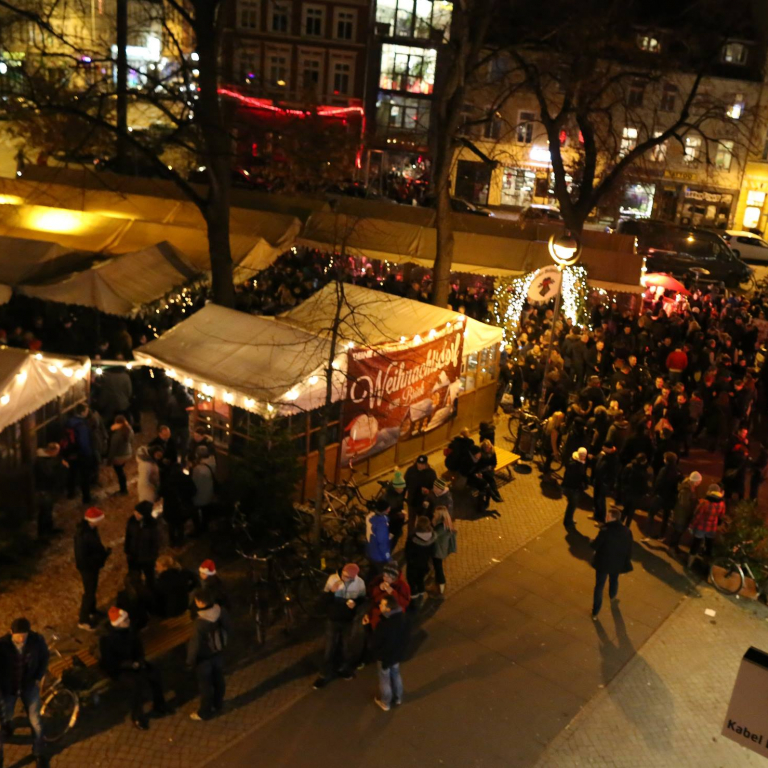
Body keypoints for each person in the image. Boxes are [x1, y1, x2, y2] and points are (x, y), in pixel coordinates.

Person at [99, 607, 170, 730]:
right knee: (136, 685)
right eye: (125, 619)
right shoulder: (107, 639)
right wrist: (131, 664)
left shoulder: (130, 631)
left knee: (154, 674)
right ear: (119, 623)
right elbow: (110, 662)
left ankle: (160, 705)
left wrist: (139, 661)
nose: (129, 621)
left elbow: (138, 647)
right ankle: (137, 716)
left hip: (134, 663)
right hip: (119, 670)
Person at [0, 617, 50, 768]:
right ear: (11, 633)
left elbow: (44, 657)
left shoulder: (36, 641)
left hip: (29, 685)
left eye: (24, 635)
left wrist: (38, 677)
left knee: (36, 721)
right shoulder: (2, 645)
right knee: (5, 717)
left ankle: (39, 752)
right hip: (9, 688)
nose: (21, 638)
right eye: (18, 635)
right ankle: (8, 726)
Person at [312, 564, 366, 689]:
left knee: (346, 646)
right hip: (333, 619)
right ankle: (324, 675)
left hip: (348, 620)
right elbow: (323, 600)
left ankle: (344, 669)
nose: (346, 579)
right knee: (329, 648)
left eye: (350, 578)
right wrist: (331, 592)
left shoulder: (360, 583)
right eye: (345, 576)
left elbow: (362, 598)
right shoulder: (332, 579)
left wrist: (356, 603)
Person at [187, 587, 233, 721]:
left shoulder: (200, 623)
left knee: (205, 686)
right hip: (218, 653)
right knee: (219, 679)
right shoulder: (221, 611)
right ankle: (218, 704)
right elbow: (229, 628)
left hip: (204, 658)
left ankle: (204, 712)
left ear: (200, 602)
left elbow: (194, 645)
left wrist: (190, 661)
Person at [591, 506, 633, 619]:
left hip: (603, 563)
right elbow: (629, 547)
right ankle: (612, 596)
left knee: (599, 586)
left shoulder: (605, 531)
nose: (606, 518)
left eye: (607, 516)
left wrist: (592, 543)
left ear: (611, 518)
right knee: (614, 579)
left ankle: (596, 611)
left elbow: (595, 545)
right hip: (617, 562)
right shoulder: (627, 531)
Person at [371, 594, 410, 711]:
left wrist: (367, 627)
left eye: (382, 604)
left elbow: (375, 642)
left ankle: (385, 702)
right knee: (396, 675)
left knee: (385, 680)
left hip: (385, 658)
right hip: (397, 655)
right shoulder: (403, 618)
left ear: (388, 609)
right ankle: (398, 697)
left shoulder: (384, 625)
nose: (380, 606)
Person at [74, 507, 111, 631]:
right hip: (88, 568)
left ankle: (92, 610)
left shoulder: (91, 530)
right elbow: (83, 556)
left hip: (92, 566)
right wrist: (97, 559)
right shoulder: (84, 535)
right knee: (89, 592)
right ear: (93, 520)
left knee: (92, 589)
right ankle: (83, 620)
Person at [687, 484, 726, 568]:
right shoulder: (722, 504)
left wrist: (691, 526)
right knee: (709, 546)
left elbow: (697, 516)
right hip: (712, 528)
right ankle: (705, 564)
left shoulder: (704, 503)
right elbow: (721, 515)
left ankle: (689, 564)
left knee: (695, 545)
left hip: (701, 527)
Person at [63, 403, 96, 503]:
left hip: (71, 452)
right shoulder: (81, 425)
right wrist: (89, 454)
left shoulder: (69, 422)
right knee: (84, 476)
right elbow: (83, 441)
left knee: (72, 473)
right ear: (82, 412)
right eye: (86, 411)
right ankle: (86, 498)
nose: (87, 412)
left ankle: (71, 493)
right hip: (82, 454)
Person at [124, 502, 160, 591]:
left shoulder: (152, 526)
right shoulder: (132, 521)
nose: (136, 514)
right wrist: (127, 550)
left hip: (146, 558)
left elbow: (155, 544)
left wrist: (152, 557)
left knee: (150, 578)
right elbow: (128, 536)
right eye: (135, 511)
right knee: (134, 577)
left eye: (139, 513)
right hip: (133, 555)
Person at [645, 452, 681, 540]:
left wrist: (654, 493)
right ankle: (661, 535)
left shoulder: (664, 470)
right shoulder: (678, 472)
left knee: (651, 513)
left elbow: (658, 483)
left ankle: (647, 532)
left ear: (667, 461)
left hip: (660, 496)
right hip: (670, 498)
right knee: (666, 517)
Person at [33, 442, 65, 539]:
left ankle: (49, 529)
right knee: (44, 511)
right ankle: (43, 534)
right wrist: (59, 464)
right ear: (52, 451)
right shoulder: (42, 461)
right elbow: (49, 474)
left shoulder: (45, 460)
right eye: (57, 452)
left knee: (48, 510)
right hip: (43, 489)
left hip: (47, 488)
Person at [667, 471, 703, 554]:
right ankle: (671, 548)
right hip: (681, 515)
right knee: (677, 532)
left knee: (680, 532)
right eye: (698, 481)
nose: (699, 483)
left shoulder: (691, 488)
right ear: (694, 481)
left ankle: (675, 546)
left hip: (685, 515)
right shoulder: (686, 490)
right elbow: (684, 504)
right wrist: (694, 504)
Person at [162, 462, 196, 546]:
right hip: (182, 506)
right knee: (180, 525)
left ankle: (172, 541)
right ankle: (180, 541)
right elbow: (193, 491)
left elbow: (161, 492)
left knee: (171, 526)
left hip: (169, 507)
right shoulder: (186, 479)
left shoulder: (167, 480)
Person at [404, 516, 436, 601]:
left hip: (413, 563)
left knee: (411, 579)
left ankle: (414, 594)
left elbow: (408, 551)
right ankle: (421, 591)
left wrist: (409, 560)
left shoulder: (412, 538)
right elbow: (433, 552)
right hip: (425, 563)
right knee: (420, 578)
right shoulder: (432, 536)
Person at [404, 455, 437, 532]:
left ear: (426, 464)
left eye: (422, 464)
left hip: (423, 502)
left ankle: (420, 536)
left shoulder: (431, 473)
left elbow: (435, 488)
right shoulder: (411, 470)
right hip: (412, 500)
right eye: (419, 463)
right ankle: (410, 538)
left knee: (422, 522)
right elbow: (405, 484)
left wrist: (428, 491)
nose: (420, 466)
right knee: (411, 521)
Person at [591, 442, 617, 525]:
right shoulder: (603, 454)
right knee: (596, 498)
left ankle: (601, 520)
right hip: (598, 479)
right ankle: (595, 515)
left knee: (601, 500)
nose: (602, 448)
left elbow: (612, 473)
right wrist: (594, 458)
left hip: (604, 483)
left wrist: (606, 482)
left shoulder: (613, 458)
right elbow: (598, 461)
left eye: (604, 447)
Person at [431, 505, 456, 594]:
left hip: (438, 551)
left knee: (439, 569)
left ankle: (440, 588)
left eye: (435, 513)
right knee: (437, 567)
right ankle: (438, 585)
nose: (433, 514)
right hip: (441, 550)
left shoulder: (440, 527)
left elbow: (433, 537)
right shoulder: (445, 525)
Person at [562, 447, 588, 530]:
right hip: (573, 488)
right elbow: (578, 477)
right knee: (572, 505)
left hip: (569, 487)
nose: (584, 457)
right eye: (583, 455)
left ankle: (569, 519)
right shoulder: (577, 465)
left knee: (571, 505)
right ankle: (568, 521)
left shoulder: (573, 462)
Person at [108, 415, 134, 496]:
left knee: (120, 473)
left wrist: (109, 460)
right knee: (121, 469)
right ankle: (123, 488)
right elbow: (132, 441)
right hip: (128, 453)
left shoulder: (117, 435)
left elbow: (113, 449)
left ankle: (123, 490)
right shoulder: (129, 430)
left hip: (119, 456)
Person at [366, 499, 391, 576]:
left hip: (370, 549)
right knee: (379, 574)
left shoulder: (371, 516)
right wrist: (387, 557)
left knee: (372, 569)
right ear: (386, 510)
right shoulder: (381, 525)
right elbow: (382, 543)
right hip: (378, 555)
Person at [382, 470, 408, 549]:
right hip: (391, 525)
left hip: (397, 523)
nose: (403, 490)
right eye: (401, 488)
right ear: (396, 487)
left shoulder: (398, 493)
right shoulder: (389, 498)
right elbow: (386, 515)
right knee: (391, 541)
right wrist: (398, 515)